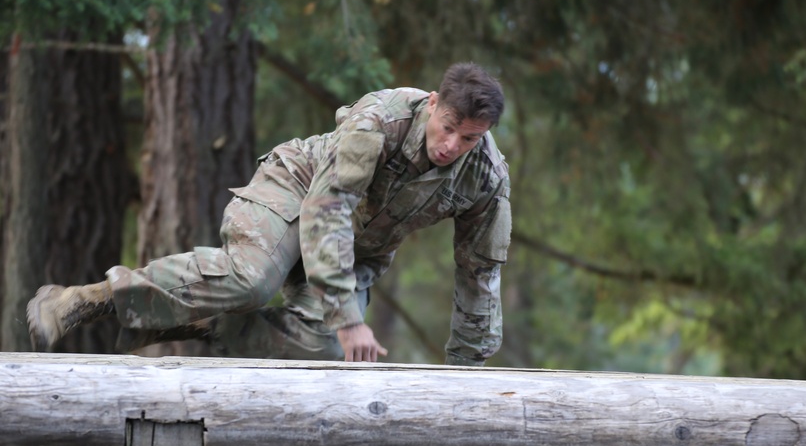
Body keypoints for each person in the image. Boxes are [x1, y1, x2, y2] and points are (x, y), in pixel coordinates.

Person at [27, 62, 510, 366]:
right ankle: (91, 297)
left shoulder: (485, 177)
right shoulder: (380, 120)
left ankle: (205, 324)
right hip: (298, 196)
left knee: (326, 351)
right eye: (447, 128)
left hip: (356, 249)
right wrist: (348, 314)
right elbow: (328, 212)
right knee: (252, 281)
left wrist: (467, 370)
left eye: (468, 138)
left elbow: (479, 272)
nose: (452, 146)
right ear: (432, 105)